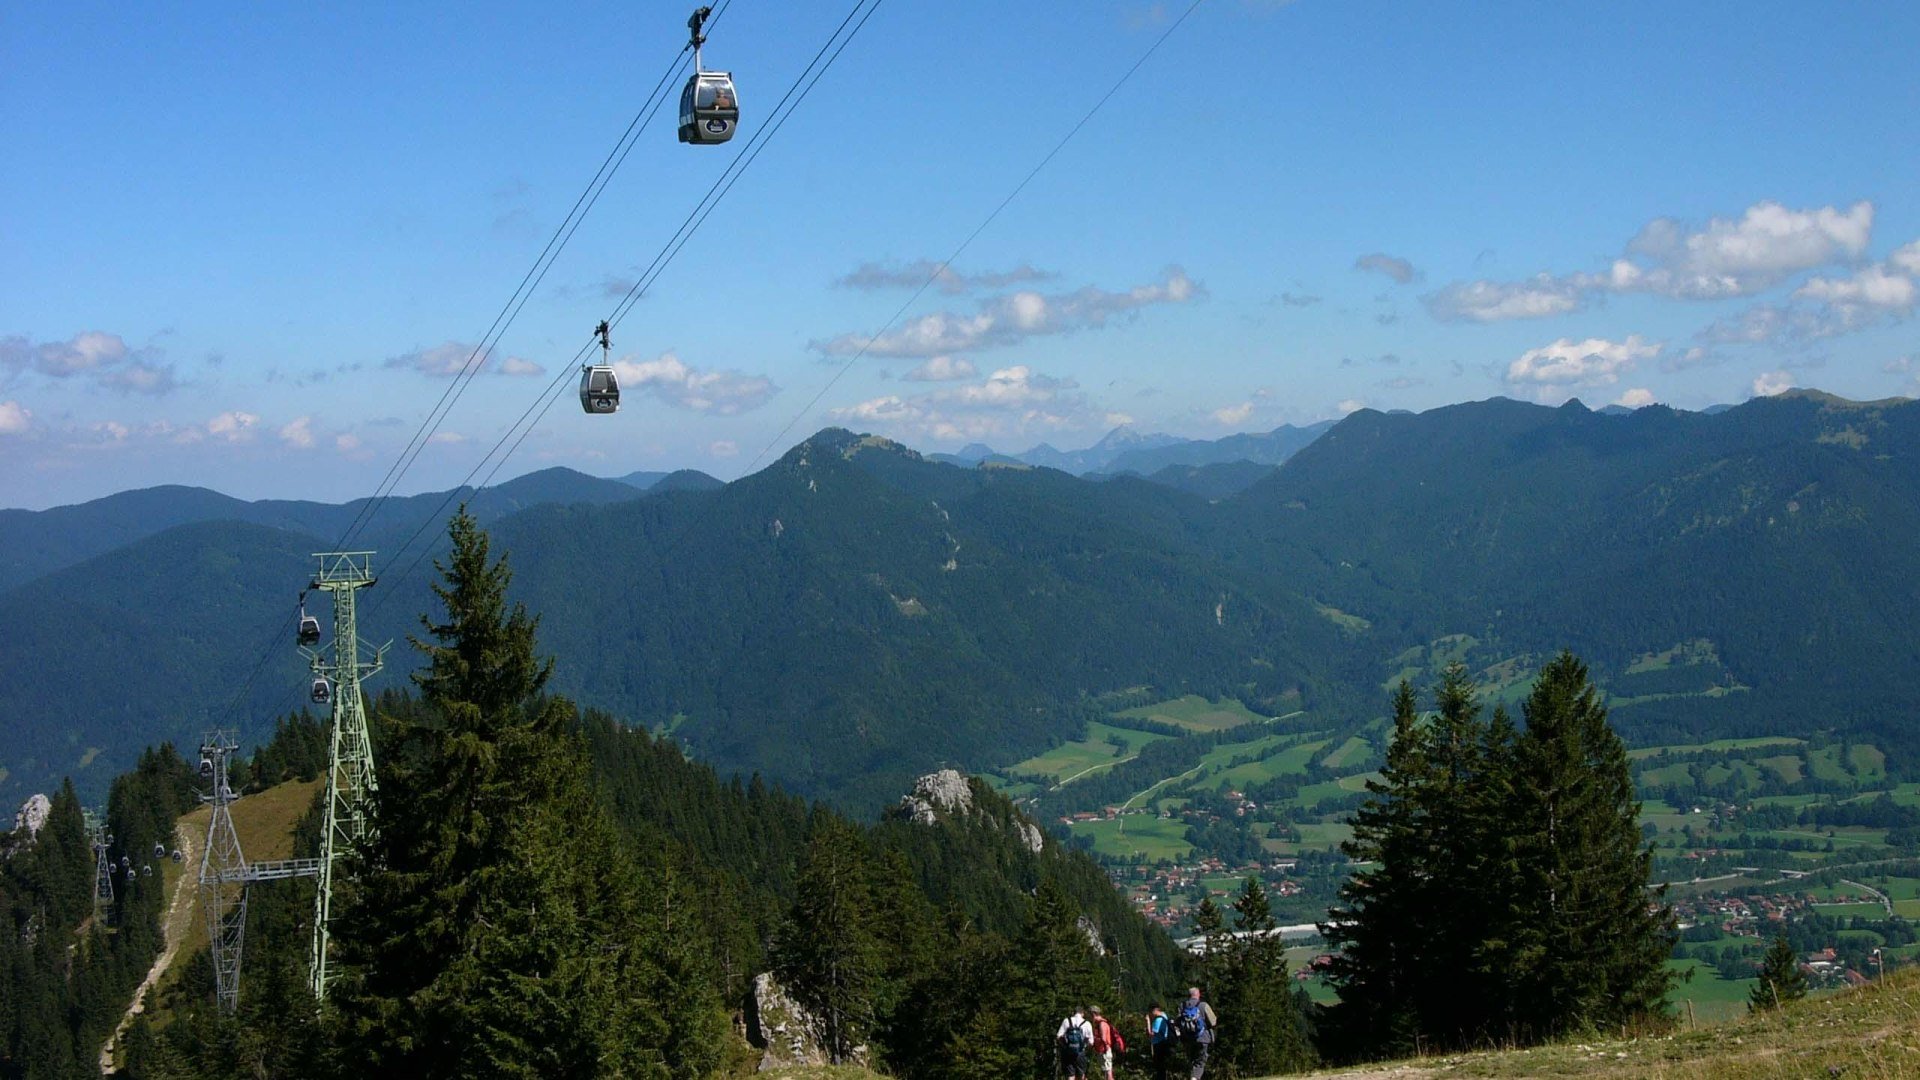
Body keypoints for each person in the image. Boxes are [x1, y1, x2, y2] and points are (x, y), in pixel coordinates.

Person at [1178, 986, 1218, 1079]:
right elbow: (1213, 1022)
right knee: (1200, 1062)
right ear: (1198, 994)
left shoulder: (1182, 1005)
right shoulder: (1203, 1005)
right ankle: (1194, 1078)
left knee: (1191, 1060)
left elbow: (1178, 1022)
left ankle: (1193, 1076)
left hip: (1187, 1038)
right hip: (1202, 1038)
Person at [1056, 1006, 1094, 1079]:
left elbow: (1058, 1036)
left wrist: (1065, 1047)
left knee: (1070, 1075)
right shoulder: (1087, 1023)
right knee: (1081, 1075)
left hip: (1068, 1052)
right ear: (1082, 1013)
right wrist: (1085, 1049)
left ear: (1074, 1013)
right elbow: (1091, 1042)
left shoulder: (1067, 1020)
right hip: (1081, 1052)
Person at [1089, 1005, 1124, 1080]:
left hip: (1104, 1050)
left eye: (1090, 1015)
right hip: (1104, 1050)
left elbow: (1103, 1038)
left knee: (1108, 1073)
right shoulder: (1103, 1023)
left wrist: (1094, 1040)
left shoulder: (1102, 1024)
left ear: (1094, 1014)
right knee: (1107, 1072)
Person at [1146, 1003, 1173, 1080]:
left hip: (1159, 1046)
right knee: (1162, 1068)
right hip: (1164, 1044)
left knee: (1160, 1068)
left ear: (1154, 1011)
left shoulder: (1158, 1020)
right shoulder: (1164, 1016)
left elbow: (1151, 1034)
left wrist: (1148, 1022)